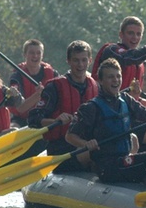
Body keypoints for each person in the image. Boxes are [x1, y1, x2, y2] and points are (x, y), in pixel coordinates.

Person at [66, 58, 146, 183]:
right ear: (100, 80)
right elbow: (69, 136)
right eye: (110, 77)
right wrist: (85, 144)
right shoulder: (91, 107)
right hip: (107, 166)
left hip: (124, 159)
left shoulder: (126, 99)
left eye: (118, 76)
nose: (116, 80)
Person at [28, 40, 99, 172]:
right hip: (61, 150)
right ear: (68, 61)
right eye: (76, 60)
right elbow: (33, 118)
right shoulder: (54, 87)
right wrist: (55, 121)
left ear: (90, 60)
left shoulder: (95, 86)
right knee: (93, 153)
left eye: (84, 60)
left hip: (86, 144)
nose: (80, 65)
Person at [90, 16, 146, 90]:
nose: (135, 37)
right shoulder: (112, 50)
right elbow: (134, 57)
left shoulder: (139, 64)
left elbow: (135, 97)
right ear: (121, 35)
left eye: (138, 34)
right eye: (130, 33)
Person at [8, 39, 58, 127]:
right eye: (31, 53)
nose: (35, 56)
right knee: (13, 128)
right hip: (22, 120)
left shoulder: (53, 74)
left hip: (44, 118)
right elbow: (20, 108)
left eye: (38, 53)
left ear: (42, 55)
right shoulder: (16, 77)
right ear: (24, 54)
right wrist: (38, 95)